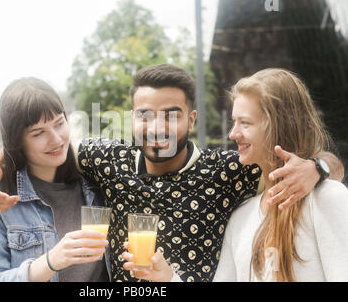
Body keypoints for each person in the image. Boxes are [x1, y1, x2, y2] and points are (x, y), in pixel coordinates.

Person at [0, 64, 343, 282]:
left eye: (171, 114)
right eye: (145, 115)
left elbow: (316, 159)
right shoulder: (107, 158)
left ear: (191, 119)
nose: (157, 127)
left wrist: (318, 167)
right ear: (132, 118)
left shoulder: (231, 169)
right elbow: (43, 142)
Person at [123, 68, 347, 282]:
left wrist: (319, 166)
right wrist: (168, 277)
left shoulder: (328, 199)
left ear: (279, 125)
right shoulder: (242, 216)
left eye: (245, 123)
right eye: (234, 121)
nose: (233, 134)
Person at [0, 77, 111, 282]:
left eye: (59, 123)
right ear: (17, 141)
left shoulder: (97, 181)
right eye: (38, 133)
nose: (56, 139)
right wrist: (50, 262)